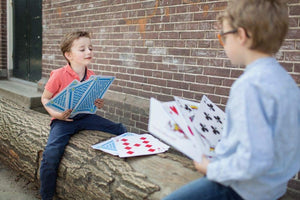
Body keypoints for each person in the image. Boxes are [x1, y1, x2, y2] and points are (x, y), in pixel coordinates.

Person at [163, 0, 300, 200]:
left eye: (223, 37)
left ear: (241, 35)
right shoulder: (285, 81)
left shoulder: (249, 86)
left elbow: (253, 161)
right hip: (274, 187)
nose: (223, 44)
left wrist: (211, 168)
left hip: (242, 190)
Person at [39, 31, 127, 200]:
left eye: (90, 48)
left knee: (117, 128)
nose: (88, 52)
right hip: (63, 121)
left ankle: (135, 148)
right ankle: (46, 196)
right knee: (51, 155)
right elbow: (45, 98)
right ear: (68, 55)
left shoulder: (91, 75)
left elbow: (93, 100)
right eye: (82, 49)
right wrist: (56, 115)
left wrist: (98, 103)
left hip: (85, 116)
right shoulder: (58, 75)